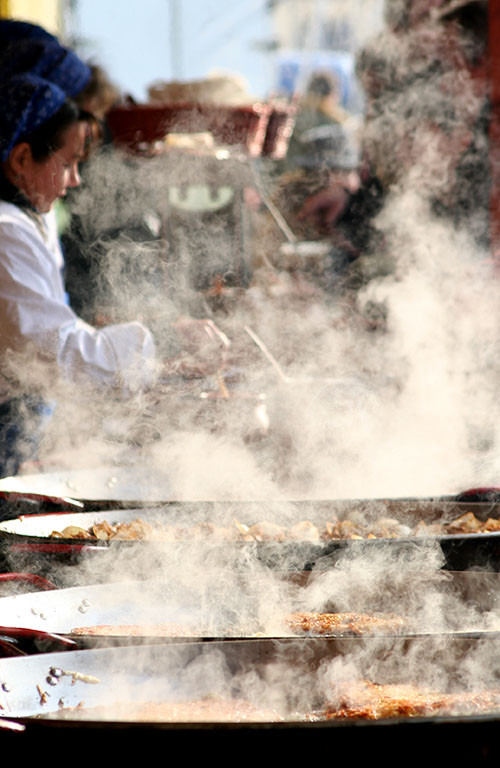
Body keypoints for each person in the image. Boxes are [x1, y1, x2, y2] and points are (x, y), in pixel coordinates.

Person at [0, 74, 227, 478]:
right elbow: (61, 354)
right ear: (20, 160)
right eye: (67, 165)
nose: (75, 181)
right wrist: (166, 338)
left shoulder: (28, 219)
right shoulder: (5, 232)